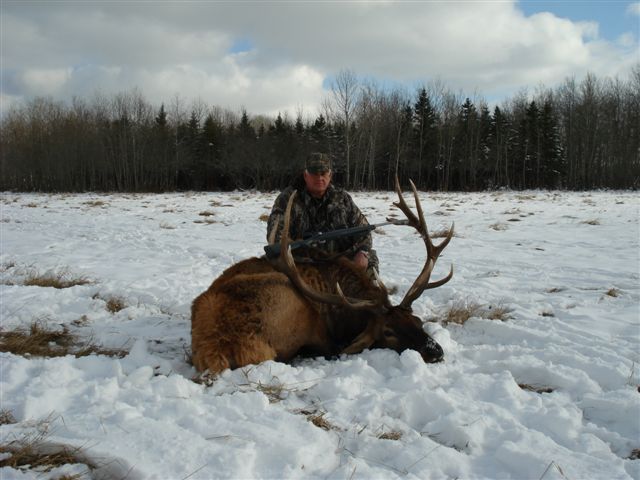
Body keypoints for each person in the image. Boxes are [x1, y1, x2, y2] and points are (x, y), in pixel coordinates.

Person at [267, 152, 379, 276]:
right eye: (314, 174)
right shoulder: (287, 199)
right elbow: (276, 236)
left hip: (340, 261)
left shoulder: (343, 198)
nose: (319, 178)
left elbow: (363, 231)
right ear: (305, 175)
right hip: (303, 263)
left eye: (323, 173)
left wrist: (362, 252)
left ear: (330, 175)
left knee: (369, 259)